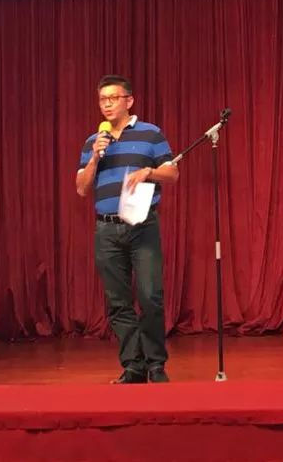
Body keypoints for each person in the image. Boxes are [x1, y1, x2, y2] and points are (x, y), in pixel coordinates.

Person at [76, 75, 179, 384]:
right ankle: (134, 365)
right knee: (117, 302)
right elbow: (81, 188)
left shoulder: (150, 134)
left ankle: (156, 364)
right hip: (106, 229)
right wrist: (95, 158)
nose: (107, 104)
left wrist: (149, 171)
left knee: (150, 296)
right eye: (102, 100)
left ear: (129, 101)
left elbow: (172, 173)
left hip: (142, 226)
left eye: (113, 98)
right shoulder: (93, 141)